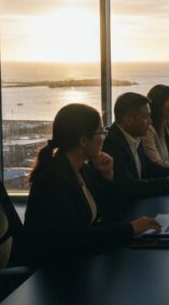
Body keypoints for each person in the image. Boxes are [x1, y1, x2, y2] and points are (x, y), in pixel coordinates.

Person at [23, 103, 161, 264]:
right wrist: (130, 229)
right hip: (54, 271)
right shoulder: (53, 180)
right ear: (83, 140)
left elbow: (110, 215)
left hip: (78, 260)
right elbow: (75, 236)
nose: (104, 138)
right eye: (101, 132)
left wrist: (108, 176)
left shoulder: (83, 170)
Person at [103, 92, 169, 198]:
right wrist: (166, 182)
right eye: (145, 117)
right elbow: (128, 186)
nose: (150, 121)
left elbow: (148, 167)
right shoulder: (113, 145)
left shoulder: (133, 136)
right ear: (128, 120)